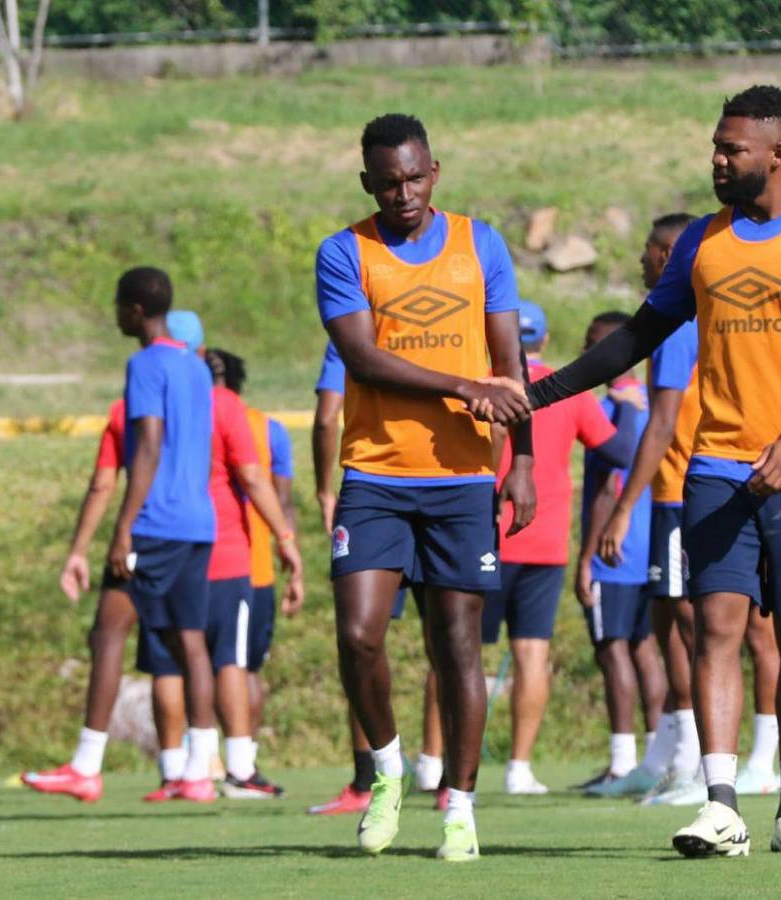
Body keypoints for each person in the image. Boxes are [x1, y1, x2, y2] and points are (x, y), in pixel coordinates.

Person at [520, 86, 781, 857]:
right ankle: (721, 807)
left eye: (731, 149)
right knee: (714, 628)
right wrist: (539, 394)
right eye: (716, 146)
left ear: (778, 154)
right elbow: (635, 339)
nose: (716, 160)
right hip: (715, 467)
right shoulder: (702, 243)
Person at [316, 113, 534, 861]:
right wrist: (462, 386)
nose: (403, 193)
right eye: (387, 183)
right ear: (367, 183)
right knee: (358, 635)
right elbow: (363, 358)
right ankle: (386, 772)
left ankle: (461, 810)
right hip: (374, 474)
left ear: (434, 171)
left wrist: (523, 460)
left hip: (462, 478)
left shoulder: (482, 244)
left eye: (414, 178)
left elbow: (511, 365)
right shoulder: (345, 252)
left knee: (458, 648)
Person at [597, 214, 781, 805]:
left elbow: (663, 422)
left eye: (650, 249)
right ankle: (683, 759)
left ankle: (731, 763)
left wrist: (623, 508)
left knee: (709, 628)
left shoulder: (677, 323)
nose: (642, 261)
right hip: (690, 490)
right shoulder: (695, 317)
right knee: (681, 623)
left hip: (688, 491)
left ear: (670, 254)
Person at [25, 272, 223, 801]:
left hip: (155, 523)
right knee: (189, 642)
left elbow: (150, 444)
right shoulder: (196, 368)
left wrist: (123, 529)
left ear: (135, 311)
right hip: (198, 522)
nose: (114, 314)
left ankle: (86, 764)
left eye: (117, 305)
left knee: (108, 634)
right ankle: (200, 772)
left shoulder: (145, 364)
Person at [482, 300, 639, 795]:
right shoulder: (569, 391)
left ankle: (434, 763)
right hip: (544, 541)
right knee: (532, 653)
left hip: (484, 535)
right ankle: (519, 769)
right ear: (545, 341)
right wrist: (628, 404)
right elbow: (620, 451)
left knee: (459, 651)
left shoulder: (484, 384)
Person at [304, 339, 426, 816]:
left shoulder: (349, 330)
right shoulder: (446, 318)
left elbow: (325, 418)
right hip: (449, 487)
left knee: (361, 641)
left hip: (376, 495)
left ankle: (368, 777)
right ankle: (442, 776)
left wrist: (323, 490)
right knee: (449, 643)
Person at [572, 311, 667, 795]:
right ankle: (657, 757)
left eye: (593, 344)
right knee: (645, 648)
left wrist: (586, 556)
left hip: (615, 553)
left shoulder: (613, 409)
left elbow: (609, 486)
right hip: (651, 545)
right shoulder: (655, 403)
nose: (585, 352)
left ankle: (622, 763)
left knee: (613, 651)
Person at [213, 349, 305, 795]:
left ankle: (202, 762)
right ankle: (243, 764)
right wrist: (291, 550)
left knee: (199, 664)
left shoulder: (187, 417)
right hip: (254, 564)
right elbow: (280, 500)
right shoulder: (269, 429)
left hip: (201, 558)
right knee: (244, 668)